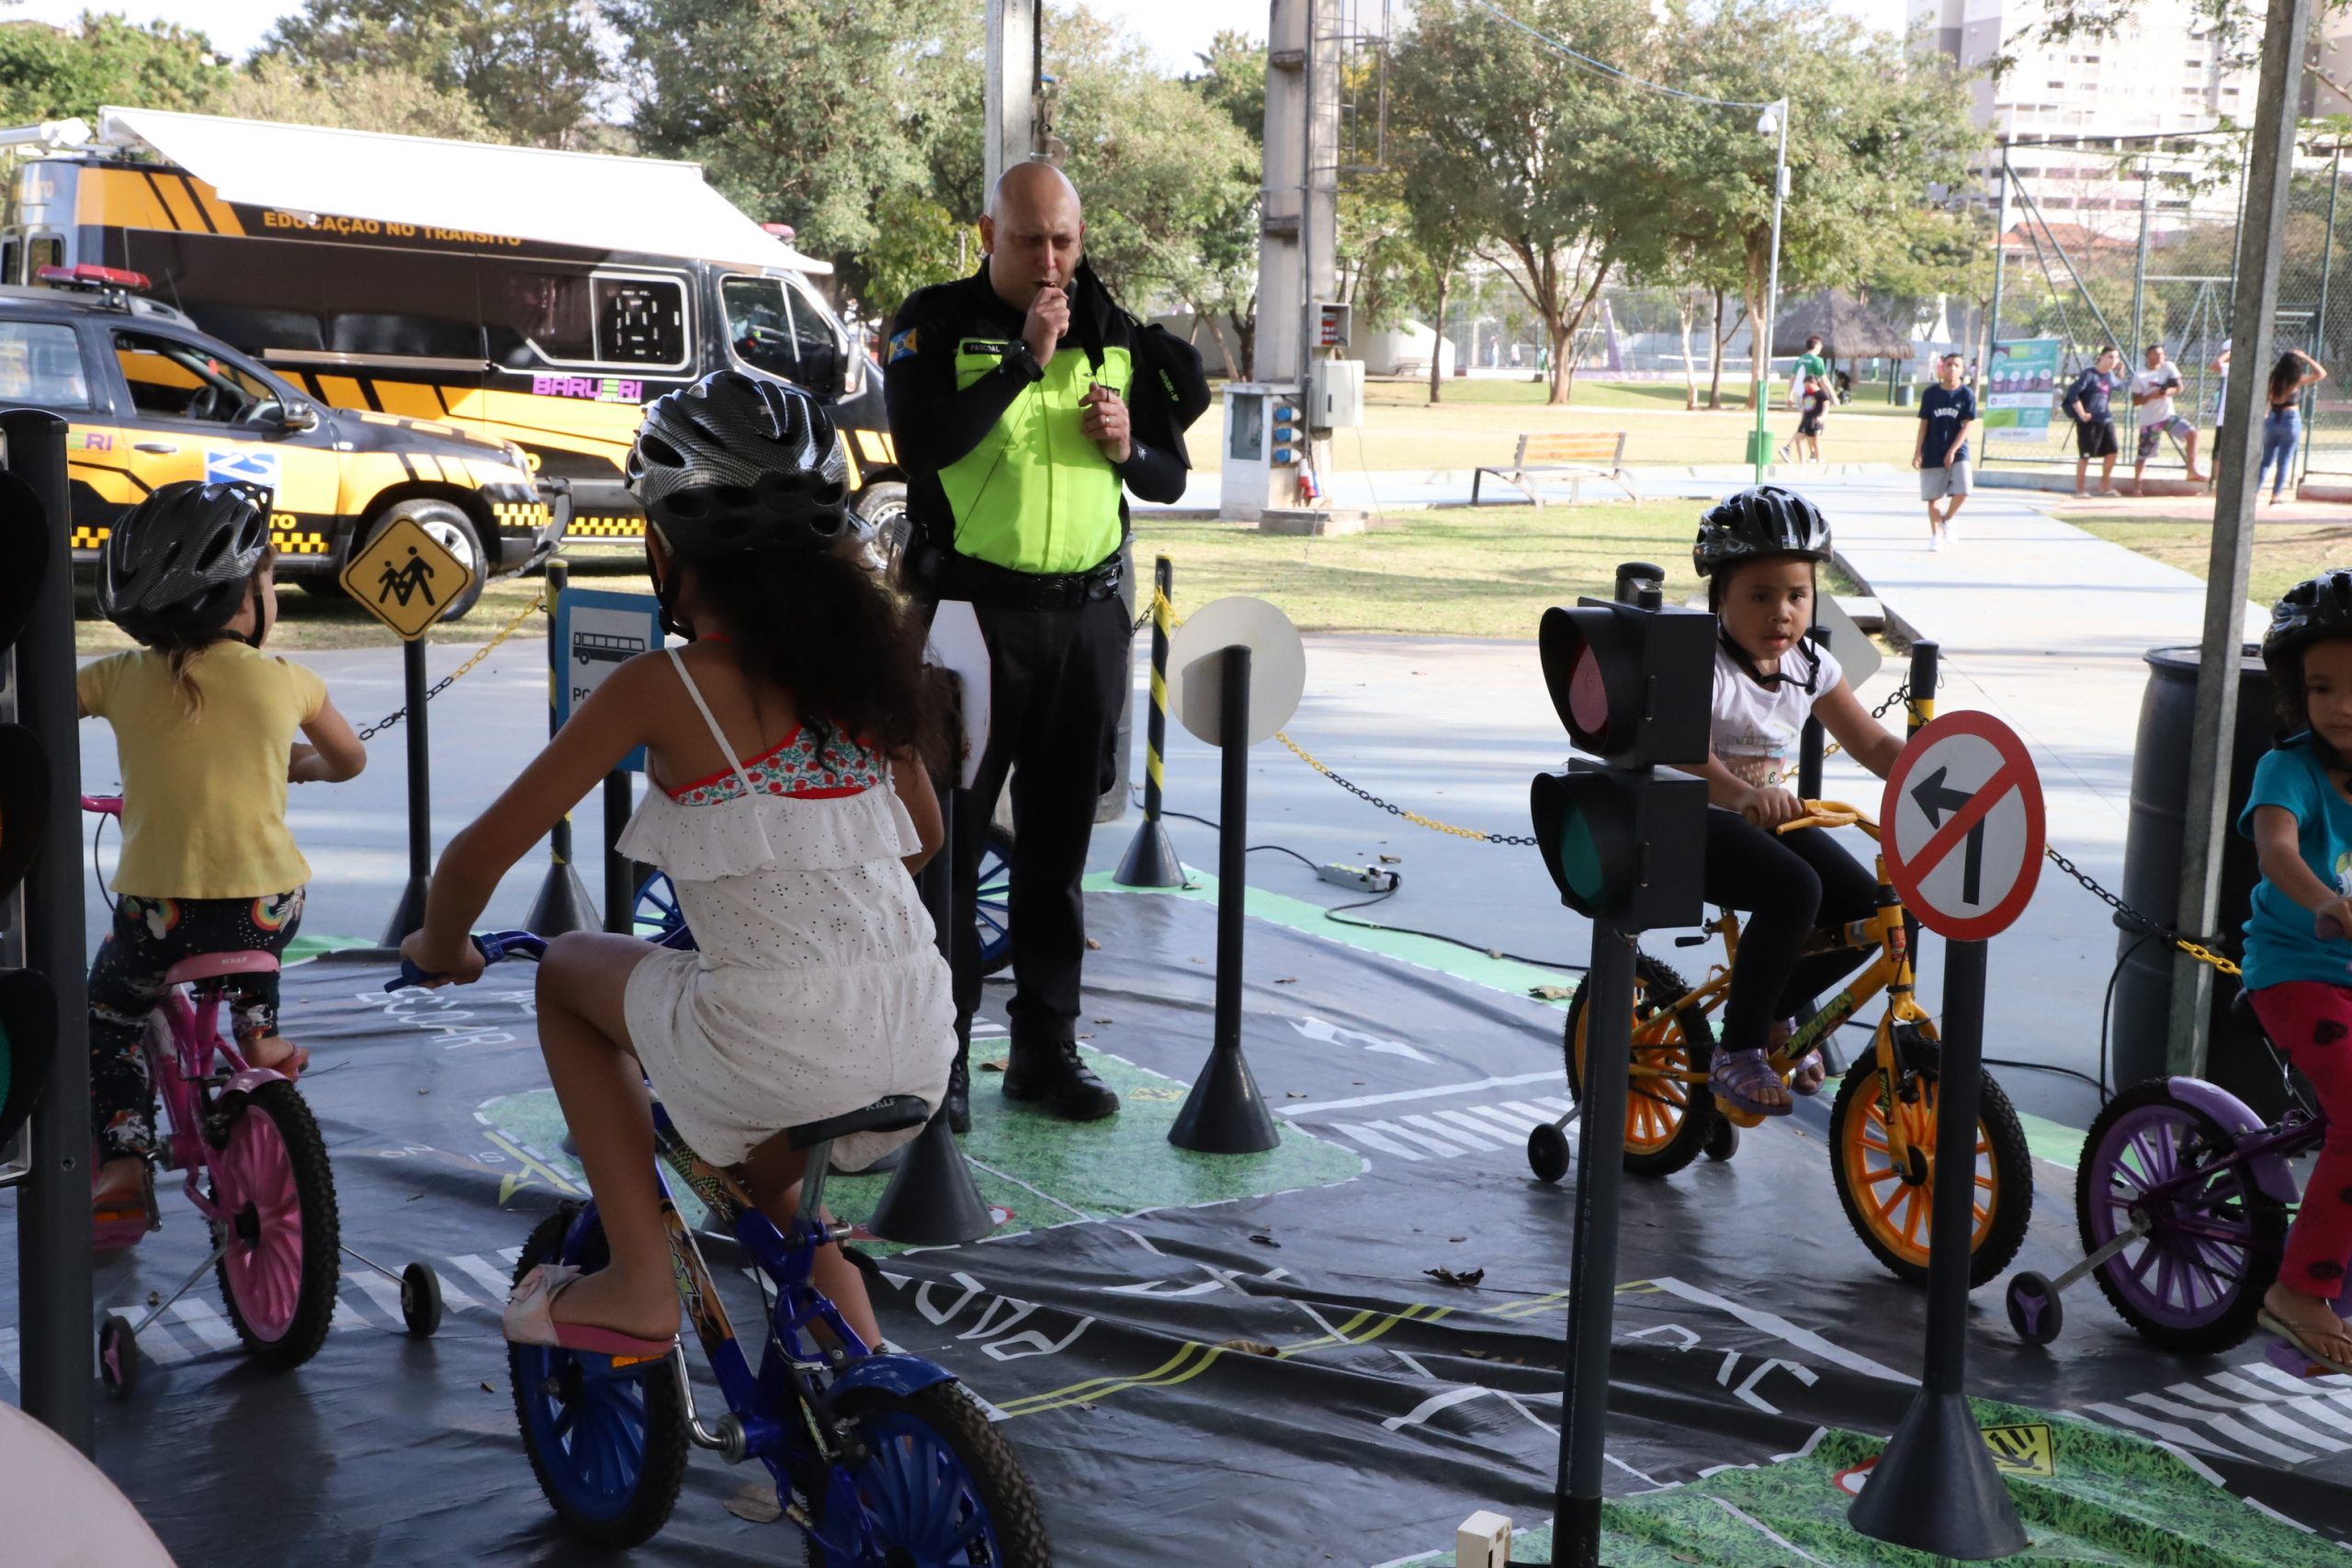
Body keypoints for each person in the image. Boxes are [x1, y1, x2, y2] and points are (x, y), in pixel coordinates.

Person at [400, 373, 954, 1353]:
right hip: (914, 1035)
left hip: (780, 1042)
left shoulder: (663, 686)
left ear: (663, 545)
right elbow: (921, 843)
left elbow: (478, 854)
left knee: (571, 969)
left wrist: (443, 947)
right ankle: (868, 1403)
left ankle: (639, 1286)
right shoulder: (862, 672)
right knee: (774, 1206)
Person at [886, 160, 1202, 1129]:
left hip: (1089, 620)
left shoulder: (1113, 326)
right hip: (973, 620)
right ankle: (934, 1058)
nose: (1052, 259)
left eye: (1065, 240)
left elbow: (1166, 477)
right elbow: (919, 442)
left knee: (1059, 846)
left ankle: (1045, 1047)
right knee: (945, 843)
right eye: (1031, 240)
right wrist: (1024, 358)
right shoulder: (935, 321)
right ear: (990, 233)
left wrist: (1125, 447)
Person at [77, 480, 367, 1243]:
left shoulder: (117, 676)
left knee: (107, 1015)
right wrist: (296, 764)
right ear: (244, 600)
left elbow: (34, 701)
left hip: (159, 909)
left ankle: (127, 1159)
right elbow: (350, 760)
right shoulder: (289, 681)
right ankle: (260, 1030)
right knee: (254, 926)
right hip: (267, 905)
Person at [1680, 487, 1906, 1116]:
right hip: (1695, 822)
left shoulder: (1812, 664)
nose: (1782, 612)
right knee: (1795, 888)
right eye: (1760, 596)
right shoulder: (1703, 662)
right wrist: (1747, 793)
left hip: (1767, 820)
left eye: (1797, 595)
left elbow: (1872, 742)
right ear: (1720, 596)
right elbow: (1688, 752)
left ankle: (1774, 1010)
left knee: (1873, 907)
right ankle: (1738, 1048)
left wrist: (1935, 776)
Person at [2239, 570, 2352, 1373]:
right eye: (2321, 687)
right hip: (2297, 969)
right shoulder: (2290, 769)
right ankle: (2300, 1288)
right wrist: (2328, 901)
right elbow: (2277, 847)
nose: (2341, 705)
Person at [1912, 352, 1977, 550]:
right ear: (1943, 368)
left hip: (1958, 450)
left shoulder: (1966, 395)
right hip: (1932, 450)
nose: (1952, 369)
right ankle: (1936, 535)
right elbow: (1924, 424)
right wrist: (1917, 452)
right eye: (1948, 365)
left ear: (1962, 369)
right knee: (1934, 497)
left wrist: (1952, 451)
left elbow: (1967, 426)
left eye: (1957, 365)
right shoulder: (1930, 394)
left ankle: (1947, 519)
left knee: (1964, 488)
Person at [2131, 342, 2205, 491]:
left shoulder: (2168, 367)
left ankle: (2191, 471)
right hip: (2150, 420)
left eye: (2162, 354)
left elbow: (2179, 387)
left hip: (2168, 417)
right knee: (2143, 453)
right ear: (2147, 356)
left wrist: (2165, 393)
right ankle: (2137, 486)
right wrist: (2151, 396)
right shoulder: (2140, 376)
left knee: (2192, 433)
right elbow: (2136, 401)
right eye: (2155, 354)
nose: (2160, 357)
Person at [2260, 349, 2329, 504]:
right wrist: (2305, 358)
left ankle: (2253, 492)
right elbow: (2321, 373)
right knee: (2283, 461)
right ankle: (2275, 496)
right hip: (2290, 418)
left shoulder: (2272, 379)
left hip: (2273, 418)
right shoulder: (2296, 380)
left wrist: (2266, 414)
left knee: (2266, 460)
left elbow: (2266, 400)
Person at [2064, 345, 2124, 498]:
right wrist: (2082, 413)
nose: (2113, 360)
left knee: (2113, 451)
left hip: (2105, 418)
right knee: (2085, 456)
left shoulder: (2110, 376)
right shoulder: (2089, 374)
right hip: (2088, 421)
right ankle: (2079, 490)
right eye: (2110, 357)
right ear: (2101, 357)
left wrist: (2123, 375)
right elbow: (2073, 394)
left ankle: (2104, 486)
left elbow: (2121, 386)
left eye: (2116, 358)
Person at [1779, 374, 1828, 464]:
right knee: (1798, 439)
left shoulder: (1821, 394)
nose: (1806, 387)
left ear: (1814, 383)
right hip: (1806, 420)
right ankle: (1802, 462)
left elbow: (1826, 407)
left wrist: (1822, 417)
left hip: (1816, 421)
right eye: (1805, 386)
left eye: (1808, 385)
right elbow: (1807, 408)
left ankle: (1818, 462)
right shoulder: (1806, 394)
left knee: (1815, 442)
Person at [1791, 335, 1830, 412]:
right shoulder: (1817, 360)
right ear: (1816, 346)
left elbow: (1792, 378)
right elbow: (1823, 379)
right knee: (1811, 417)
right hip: (1810, 394)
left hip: (1799, 393)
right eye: (1820, 345)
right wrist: (1832, 395)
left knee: (1806, 417)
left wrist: (1789, 395)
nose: (1821, 347)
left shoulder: (1800, 359)